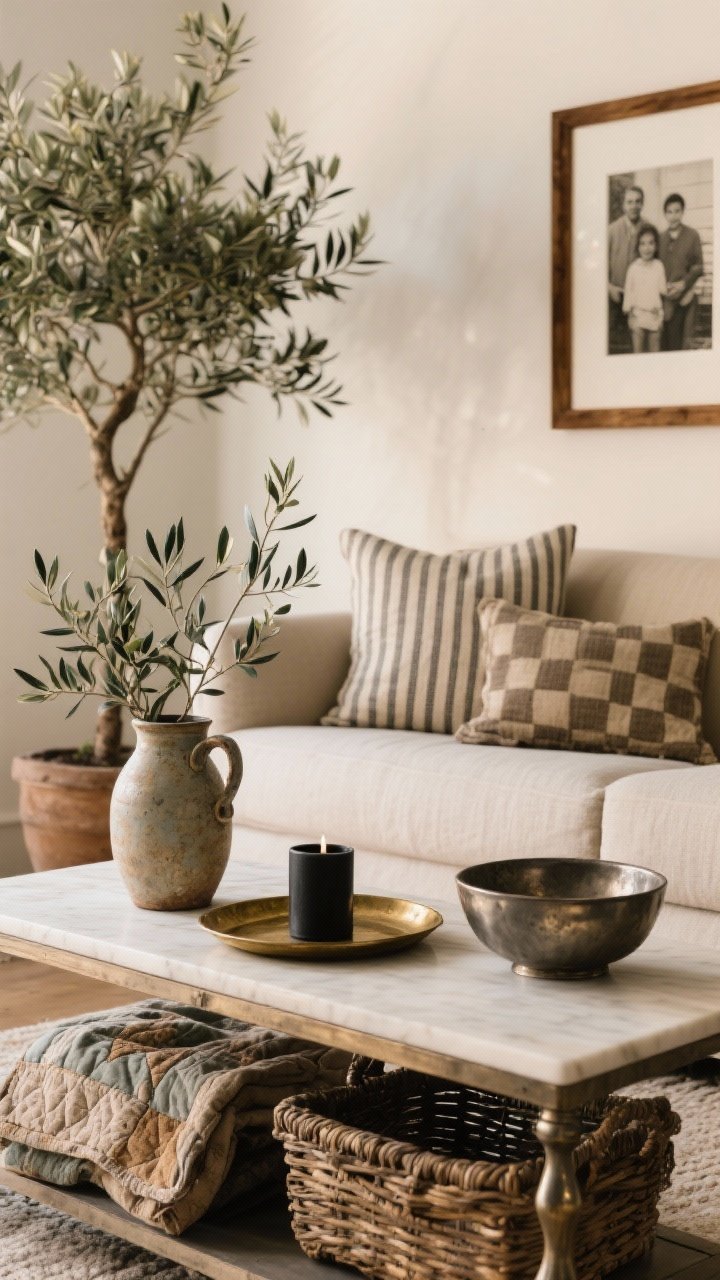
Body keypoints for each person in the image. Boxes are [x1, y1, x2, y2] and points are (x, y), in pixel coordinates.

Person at [659, 194, 704, 351]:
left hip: (687, 297)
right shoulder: (660, 238)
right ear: (665, 214)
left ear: (683, 212)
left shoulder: (692, 235)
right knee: (668, 344)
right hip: (666, 298)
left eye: (677, 211)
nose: (673, 216)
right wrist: (664, 288)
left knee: (684, 345)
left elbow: (699, 267)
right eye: (669, 212)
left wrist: (685, 284)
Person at [608, 185, 644, 353]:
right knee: (613, 345)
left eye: (637, 202)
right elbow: (599, 265)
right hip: (615, 296)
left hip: (639, 299)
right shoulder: (611, 230)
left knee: (636, 345)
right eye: (629, 202)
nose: (634, 206)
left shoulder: (648, 229)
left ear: (642, 204)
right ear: (623, 205)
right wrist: (609, 287)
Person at [622, 223, 666, 353]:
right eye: (643, 243)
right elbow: (628, 293)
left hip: (654, 315)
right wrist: (630, 316)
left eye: (651, 243)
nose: (647, 248)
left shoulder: (659, 266)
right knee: (638, 353)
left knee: (654, 352)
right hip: (638, 316)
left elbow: (663, 291)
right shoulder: (633, 268)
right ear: (638, 247)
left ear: (656, 246)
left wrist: (660, 315)